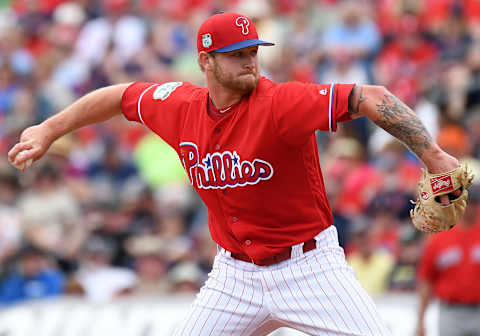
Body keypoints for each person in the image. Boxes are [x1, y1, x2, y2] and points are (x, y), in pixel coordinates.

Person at [8, 11, 461, 336]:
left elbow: (370, 95)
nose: (249, 60)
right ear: (205, 62)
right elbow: (119, 96)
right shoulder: (178, 106)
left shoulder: (282, 104)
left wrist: (434, 156)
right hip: (234, 276)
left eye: (252, 51)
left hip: (309, 267)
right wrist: (49, 128)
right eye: (234, 54)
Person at [415, 186, 480, 336]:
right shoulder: (440, 239)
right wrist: (420, 319)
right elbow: (426, 280)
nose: (472, 207)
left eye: (476, 202)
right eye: (469, 202)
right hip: (451, 312)